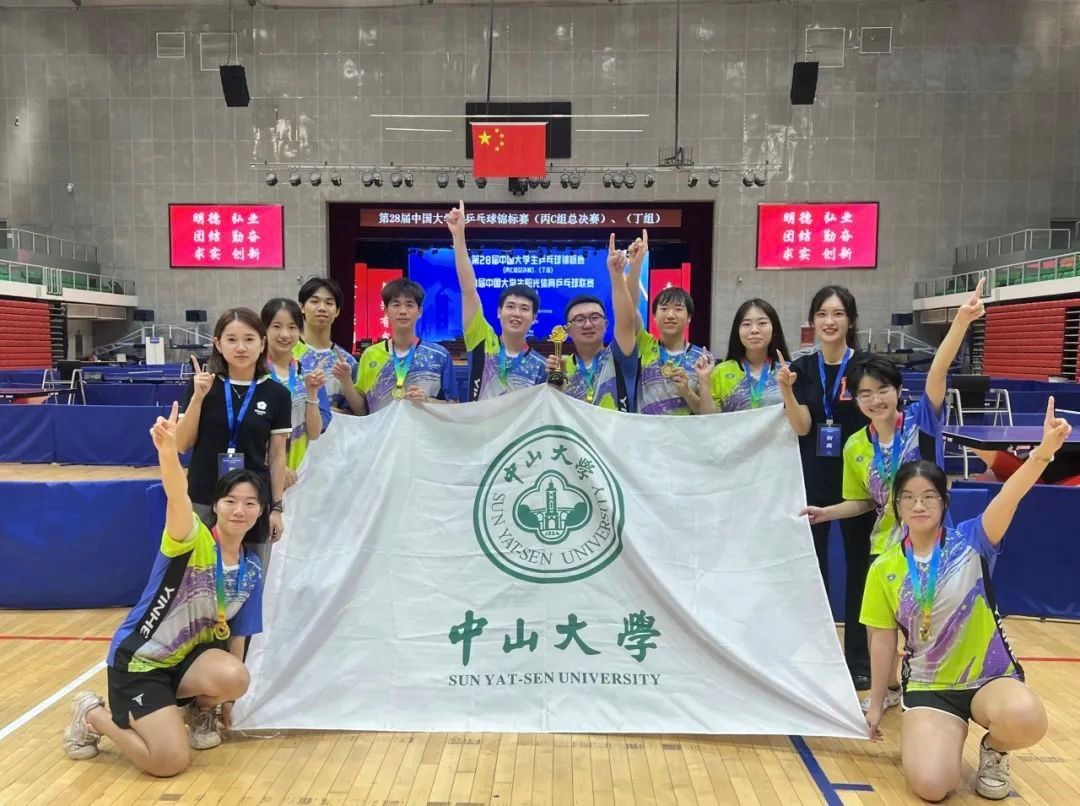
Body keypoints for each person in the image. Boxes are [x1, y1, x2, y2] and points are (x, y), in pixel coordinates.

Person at [862, 398, 1071, 802]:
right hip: (929, 685)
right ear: (896, 505)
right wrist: (874, 706)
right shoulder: (883, 568)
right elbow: (882, 641)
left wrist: (1043, 453)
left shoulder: (974, 540)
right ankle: (941, 734)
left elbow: (1010, 495)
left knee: (1026, 717)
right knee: (932, 786)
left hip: (989, 678)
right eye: (908, 497)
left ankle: (995, 749)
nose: (919, 505)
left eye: (929, 496)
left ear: (944, 502)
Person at [63, 402, 267, 774]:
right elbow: (177, 495)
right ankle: (93, 715)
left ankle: (197, 710)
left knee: (236, 676)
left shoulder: (251, 567)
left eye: (250, 503)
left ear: (260, 511)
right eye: (231, 501)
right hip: (142, 662)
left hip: (186, 662)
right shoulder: (190, 538)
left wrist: (225, 699)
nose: (240, 510)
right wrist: (169, 452)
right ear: (216, 506)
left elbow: (238, 635)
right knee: (169, 762)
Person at [774, 285, 874, 687]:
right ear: (812, 321)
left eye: (837, 314)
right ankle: (815, 655)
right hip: (812, 478)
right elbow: (802, 427)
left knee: (859, 571)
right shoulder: (801, 368)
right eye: (822, 314)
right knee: (812, 570)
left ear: (850, 320)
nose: (829, 322)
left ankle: (860, 659)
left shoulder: (866, 367)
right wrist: (786, 388)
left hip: (859, 482)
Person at [176, 309, 291, 553]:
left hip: (251, 503)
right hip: (203, 497)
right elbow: (181, 444)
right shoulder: (202, 386)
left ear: (262, 343)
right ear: (218, 344)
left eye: (249, 339)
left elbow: (277, 455)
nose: (241, 347)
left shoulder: (277, 394)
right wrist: (198, 398)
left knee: (250, 572)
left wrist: (276, 508)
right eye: (231, 339)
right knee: (200, 572)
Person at [445, 200, 547, 401]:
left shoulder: (542, 366)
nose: (516, 313)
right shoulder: (482, 340)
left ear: (534, 317)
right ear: (499, 312)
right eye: (510, 307)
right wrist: (459, 236)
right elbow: (468, 290)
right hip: (478, 423)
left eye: (524, 309)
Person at [547, 233, 640, 411]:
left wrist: (616, 275)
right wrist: (554, 386)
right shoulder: (561, 366)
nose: (588, 324)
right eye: (579, 319)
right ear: (568, 330)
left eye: (595, 317)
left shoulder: (620, 356)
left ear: (606, 325)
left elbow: (627, 321)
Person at [353, 278, 457, 413]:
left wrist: (428, 401)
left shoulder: (440, 355)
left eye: (409, 305)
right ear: (386, 311)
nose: (403, 311)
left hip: (423, 427)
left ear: (420, 312)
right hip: (381, 427)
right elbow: (361, 411)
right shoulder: (370, 355)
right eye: (396, 305)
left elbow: (454, 406)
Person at [260, 298, 331, 476]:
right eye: (277, 326)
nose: (285, 334)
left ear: (300, 331)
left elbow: (314, 433)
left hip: (302, 473)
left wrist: (312, 393)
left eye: (292, 327)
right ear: (264, 330)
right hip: (262, 471)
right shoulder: (254, 374)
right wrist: (276, 466)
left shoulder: (309, 375)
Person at [696, 298, 790, 414]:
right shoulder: (721, 371)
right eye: (746, 324)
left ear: (774, 329)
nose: (754, 330)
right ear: (738, 331)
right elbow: (710, 417)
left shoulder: (788, 371)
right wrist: (704, 382)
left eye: (762, 323)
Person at [635, 271, 708, 416]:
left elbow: (708, 414)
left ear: (689, 317)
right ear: (654, 317)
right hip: (646, 430)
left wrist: (687, 392)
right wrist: (634, 269)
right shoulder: (644, 344)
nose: (670, 315)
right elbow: (630, 308)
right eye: (664, 309)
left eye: (678, 309)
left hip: (684, 431)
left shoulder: (702, 358)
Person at [293, 276, 360, 414]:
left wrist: (335, 414)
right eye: (314, 301)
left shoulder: (346, 361)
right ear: (302, 307)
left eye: (329, 303)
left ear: (337, 311)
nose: (322, 308)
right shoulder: (287, 353)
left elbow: (358, 412)